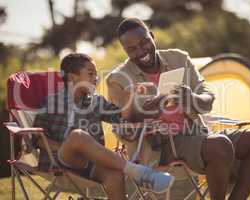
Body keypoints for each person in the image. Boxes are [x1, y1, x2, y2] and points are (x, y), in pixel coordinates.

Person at [106, 18, 250, 200]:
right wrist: (152, 109)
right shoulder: (119, 79)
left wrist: (191, 98)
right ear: (125, 51)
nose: (141, 51)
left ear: (152, 37)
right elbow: (123, 130)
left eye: (144, 42)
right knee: (220, 145)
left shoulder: (179, 58)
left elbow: (207, 96)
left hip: (198, 134)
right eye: (132, 49)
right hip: (160, 147)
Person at [33, 53, 175, 200]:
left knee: (115, 175)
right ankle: (139, 172)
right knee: (77, 136)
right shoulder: (51, 102)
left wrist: (128, 96)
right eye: (90, 74)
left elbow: (121, 118)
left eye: (96, 74)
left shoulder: (97, 102)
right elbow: (37, 139)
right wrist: (71, 146)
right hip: (58, 161)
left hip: (89, 163)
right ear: (72, 77)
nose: (96, 78)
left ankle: (139, 173)